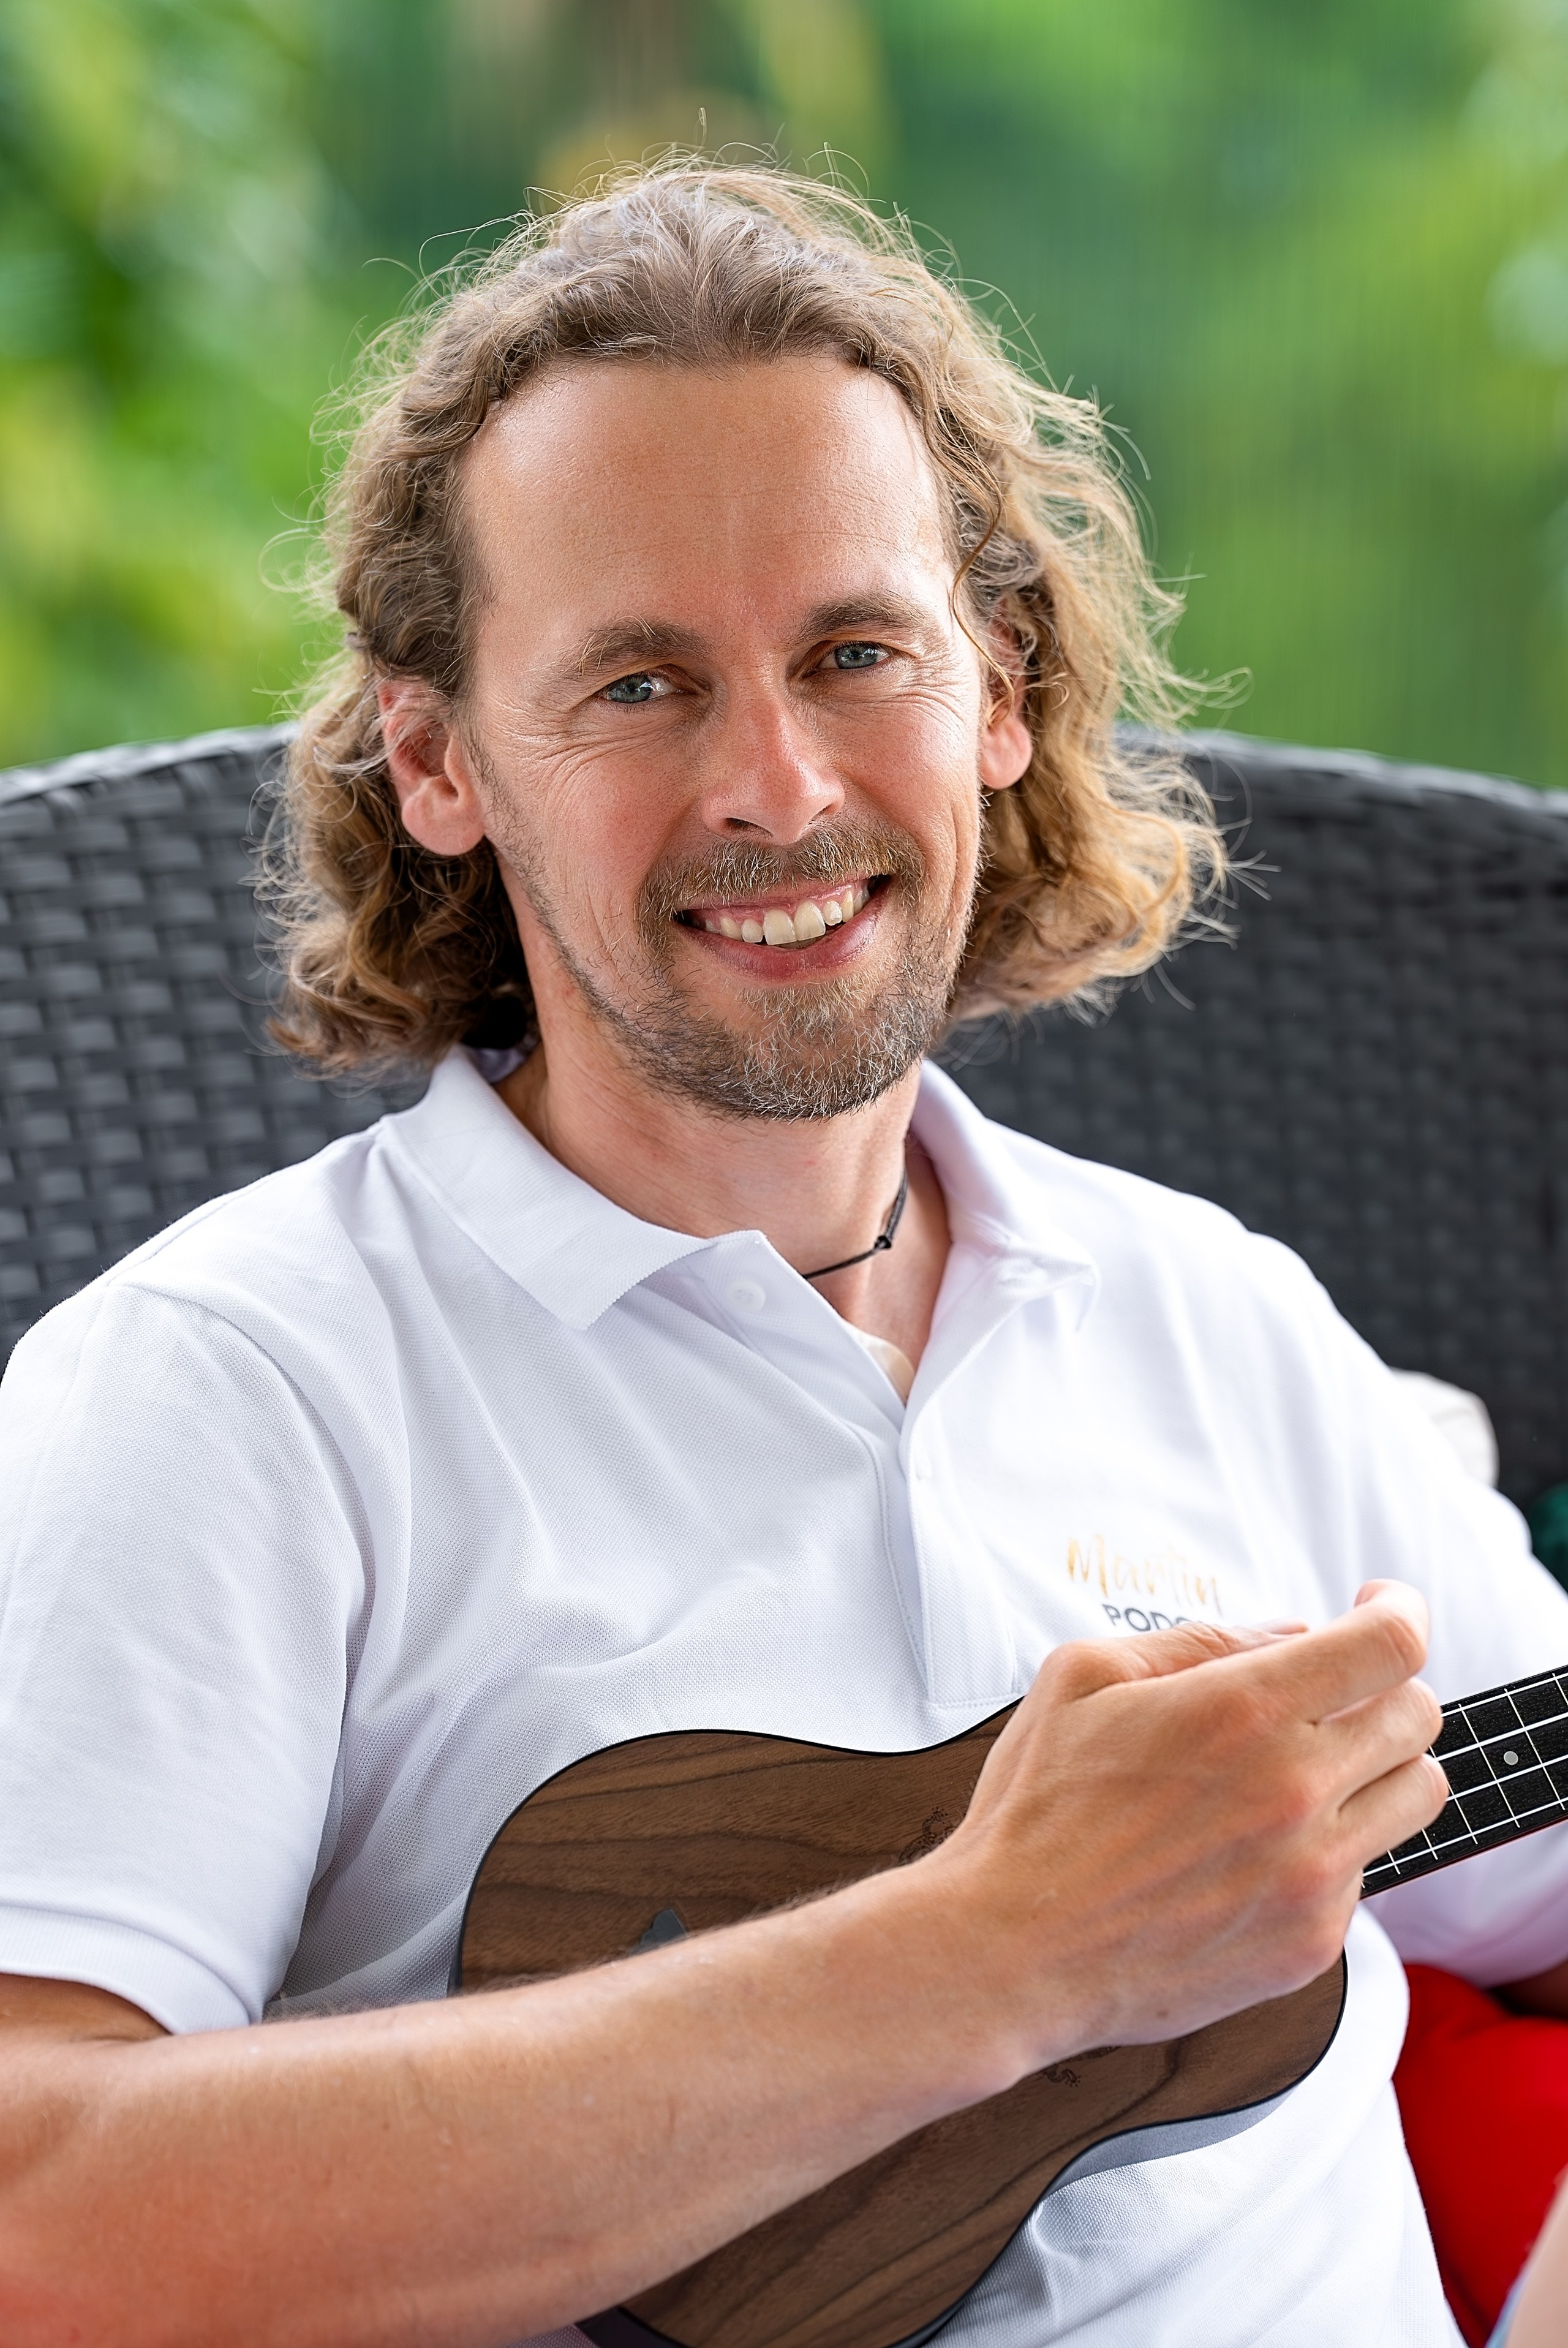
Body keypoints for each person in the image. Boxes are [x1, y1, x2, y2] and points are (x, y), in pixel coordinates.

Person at [0, 164, 1565, 2348]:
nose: (776, 781)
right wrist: (999, 1946)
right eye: (640, 683)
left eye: (857, 653)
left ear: (998, 689)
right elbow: (36, 2218)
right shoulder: (228, 1385)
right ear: (439, 753)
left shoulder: (1219, 1312)